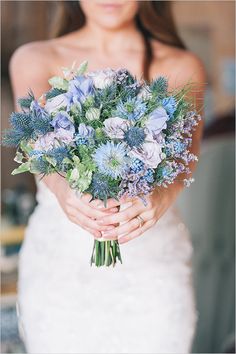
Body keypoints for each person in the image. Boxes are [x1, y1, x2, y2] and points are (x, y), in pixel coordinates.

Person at [10, 1, 206, 353]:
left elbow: (183, 163)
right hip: (61, 272)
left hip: (151, 270)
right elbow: (35, 149)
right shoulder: (33, 58)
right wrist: (65, 191)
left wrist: (159, 199)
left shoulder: (180, 65)